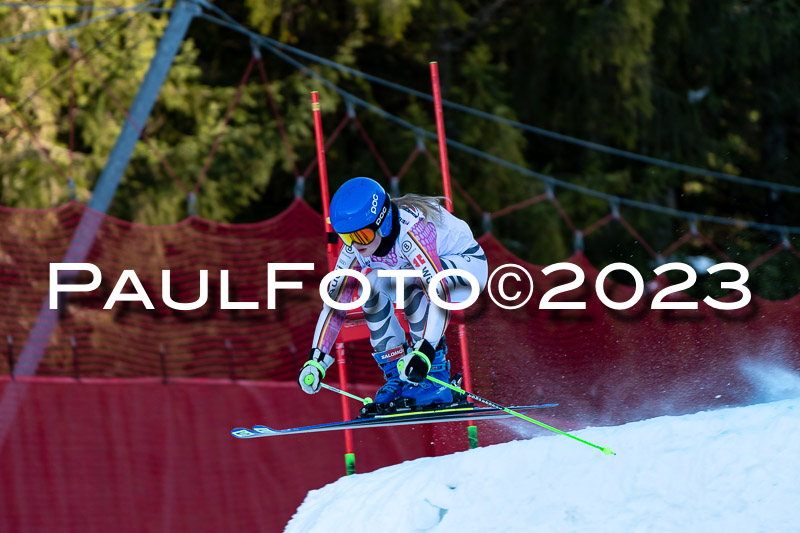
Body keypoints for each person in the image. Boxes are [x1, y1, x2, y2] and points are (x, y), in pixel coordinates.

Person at [297, 176, 488, 412]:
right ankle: (398, 375)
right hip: (425, 275)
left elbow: (440, 294)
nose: (355, 245)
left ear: (383, 223)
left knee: (409, 278)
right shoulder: (354, 248)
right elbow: (335, 304)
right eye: (347, 237)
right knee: (370, 285)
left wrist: (425, 353)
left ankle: (434, 378)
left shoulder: (412, 233)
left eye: (362, 236)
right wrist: (316, 359)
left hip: (467, 268)